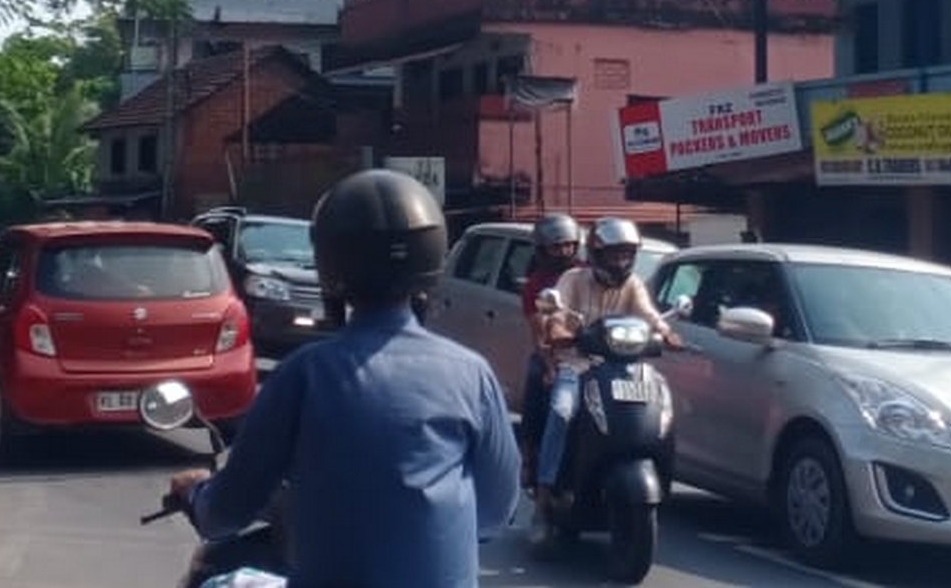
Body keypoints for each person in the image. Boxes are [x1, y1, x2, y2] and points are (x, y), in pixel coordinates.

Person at [169, 170, 520, 588]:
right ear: (432, 253)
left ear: (330, 262)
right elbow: (495, 512)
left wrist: (195, 494)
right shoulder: (471, 373)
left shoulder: (303, 375)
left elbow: (227, 513)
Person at [531, 216, 680, 545]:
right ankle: (543, 500)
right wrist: (559, 329)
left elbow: (648, 314)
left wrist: (666, 331)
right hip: (577, 365)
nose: (621, 262)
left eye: (627, 254)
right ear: (597, 254)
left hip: (623, 367)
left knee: (661, 405)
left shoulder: (633, 285)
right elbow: (555, 314)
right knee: (561, 411)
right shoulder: (573, 279)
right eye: (614, 254)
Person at [519, 213, 581, 487]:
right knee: (535, 380)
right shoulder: (535, 284)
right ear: (543, 250)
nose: (564, 251)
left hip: (590, 352)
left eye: (569, 245)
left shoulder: (587, 273)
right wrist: (549, 366)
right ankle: (530, 458)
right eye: (557, 247)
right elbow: (539, 332)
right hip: (554, 354)